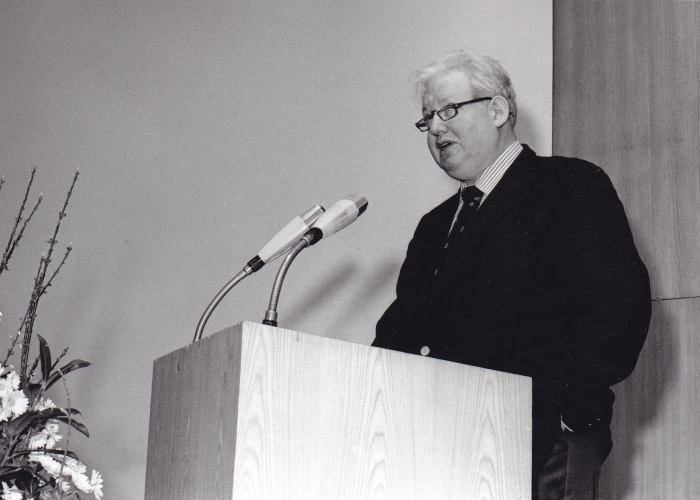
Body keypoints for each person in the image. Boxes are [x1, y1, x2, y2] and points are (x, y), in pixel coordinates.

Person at [372, 51, 651, 500]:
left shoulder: (569, 186)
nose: (436, 128)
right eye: (427, 120)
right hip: (440, 450)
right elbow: (399, 331)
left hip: (543, 444)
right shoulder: (433, 226)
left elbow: (618, 308)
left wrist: (564, 409)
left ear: (497, 109)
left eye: (447, 110)